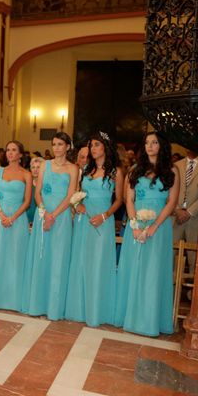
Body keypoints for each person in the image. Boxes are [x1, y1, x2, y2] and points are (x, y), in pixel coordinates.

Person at [115, 132, 179, 336]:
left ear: (162, 146)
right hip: (136, 226)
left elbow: (172, 203)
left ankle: (150, 320)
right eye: (147, 143)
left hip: (159, 228)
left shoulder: (172, 170)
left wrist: (154, 227)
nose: (150, 146)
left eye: (155, 142)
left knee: (153, 272)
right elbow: (129, 199)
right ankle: (129, 317)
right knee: (134, 269)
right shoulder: (134, 170)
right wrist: (134, 226)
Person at [65, 132, 123, 326]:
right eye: (91, 146)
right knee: (81, 261)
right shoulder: (87, 170)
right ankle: (79, 309)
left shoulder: (115, 172)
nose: (93, 149)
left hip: (103, 220)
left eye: (96, 145)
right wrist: (77, 205)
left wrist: (105, 216)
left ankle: (97, 310)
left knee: (98, 264)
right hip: (84, 221)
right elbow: (78, 194)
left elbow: (120, 200)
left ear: (105, 147)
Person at [22, 132, 78, 320]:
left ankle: (54, 307)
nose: (56, 148)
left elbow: (71, 195)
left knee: (58, 259)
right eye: (54, 144)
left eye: (60, 144)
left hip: (61, 218)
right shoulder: (45, 165)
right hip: (43, 215)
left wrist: (53, 215)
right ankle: (37, 303)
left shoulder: (73, 168)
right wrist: (45, 212)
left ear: (68, 147)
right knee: (41, 257)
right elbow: (37, 192)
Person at [0, 141, 32, 312]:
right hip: (0, 218)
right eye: (8, 150)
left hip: (18, 220)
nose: (10, 153)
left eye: (14, 150)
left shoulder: (27, 174)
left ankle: (14, 299)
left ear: (20, 154)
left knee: (15, 257)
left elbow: (27, 202)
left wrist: (12, 218)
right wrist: (1, 215)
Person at [173, 150, 198, 273]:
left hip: (195, 218)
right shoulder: (176, 165)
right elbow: (168, 189)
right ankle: (170, 288)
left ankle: (192, 291)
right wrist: (176, 209)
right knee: (170, 254)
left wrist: (190, 212)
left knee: (195, 258)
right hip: (175, 216)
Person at [26, 157, 44, 223]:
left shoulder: (46, 185)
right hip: (27, 219)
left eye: (38, 167)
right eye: (33, 167)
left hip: (41, 218)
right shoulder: (27, 184)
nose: (35, 170)